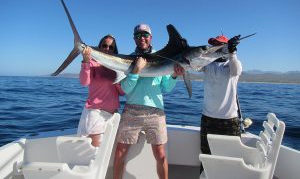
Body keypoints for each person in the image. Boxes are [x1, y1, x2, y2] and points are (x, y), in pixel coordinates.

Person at [113, 24, 184, 179]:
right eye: (138, 35)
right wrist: (136, 70)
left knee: (161, 155)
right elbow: (126, 89)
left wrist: (174, 76)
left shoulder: (164, 57)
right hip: (131, 110)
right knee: (119, 153)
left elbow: (166, 87)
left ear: (151, 37)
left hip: (155, 111)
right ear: (134, 39)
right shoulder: (128, 59)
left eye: (145, 35)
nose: (142, 38)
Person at [199, 34, 242, 173]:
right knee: (206, 156)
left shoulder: (232, 63)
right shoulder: (207, 65)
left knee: (232, 160)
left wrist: (232, 52)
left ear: (226, 46)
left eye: (219, 44)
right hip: (207, 119)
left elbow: (236, 70)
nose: (215, 47)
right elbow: (195, 65)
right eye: (214, 44)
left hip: (229, 121)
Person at [77, 34, 124, 147]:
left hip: (113, 115)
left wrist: (118, 79)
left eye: (111, 47)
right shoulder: (92, 63)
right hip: (96, 113)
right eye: (104, 46)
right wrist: (86, 62)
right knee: (96, 152)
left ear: (114, 50)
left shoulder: (118, 67)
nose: (107, 49)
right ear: (100, 47)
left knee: (107, 152)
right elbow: (84, 82)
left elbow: (122, 92)